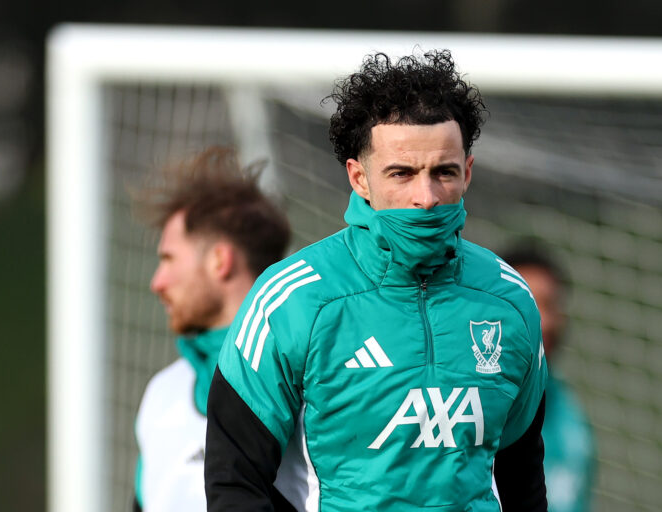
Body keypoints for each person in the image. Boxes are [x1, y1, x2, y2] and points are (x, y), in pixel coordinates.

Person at [205, 50, 548, 511]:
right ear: (359, 177)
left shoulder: (508, 299)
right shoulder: (291, 300)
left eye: (443, 172)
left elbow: (523, 480)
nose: (425, 198)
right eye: (402, 174)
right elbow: (234, 481)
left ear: (466, 173)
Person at [132, 146, 291, 512]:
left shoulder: (305, 382)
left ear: (220, 260)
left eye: (169, 259)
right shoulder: (163, 393)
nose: (157, 281)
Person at [498, 243, 596, 512]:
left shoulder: (570, 413)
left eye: (551, 304)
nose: (546, 321)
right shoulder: (469, 403)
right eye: (531, 303)